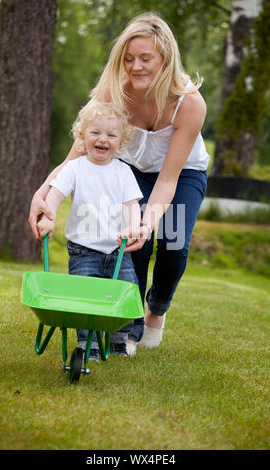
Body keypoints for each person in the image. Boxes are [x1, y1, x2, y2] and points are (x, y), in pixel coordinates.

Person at [29, 12, 209, 357]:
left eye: (145, 58)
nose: (135, 67)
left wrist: (149, 221)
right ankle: (127, 325)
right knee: (131, 243)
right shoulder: (112, 95)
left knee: (172, 243)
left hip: (181, 172)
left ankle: (157, 309)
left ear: (165, 59)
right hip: (128, 169)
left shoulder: (189, 104)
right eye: (128, 59)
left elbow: (168, 178)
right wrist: (43, 191)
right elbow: (73, 160)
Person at [37, 101, 144, 358]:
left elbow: (131, 205)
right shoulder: (75, 168)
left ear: (121, 140)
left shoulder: (123, 172)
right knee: (85, 300)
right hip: (84, 251)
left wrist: (133, 226)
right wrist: (48, 217)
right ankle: (89, 346)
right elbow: (56, 193)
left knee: (125, 294)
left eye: (111, 135)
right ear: (82, 135)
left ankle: (119, 340)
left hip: (118, 250)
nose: (103, 140)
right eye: (96, 132)